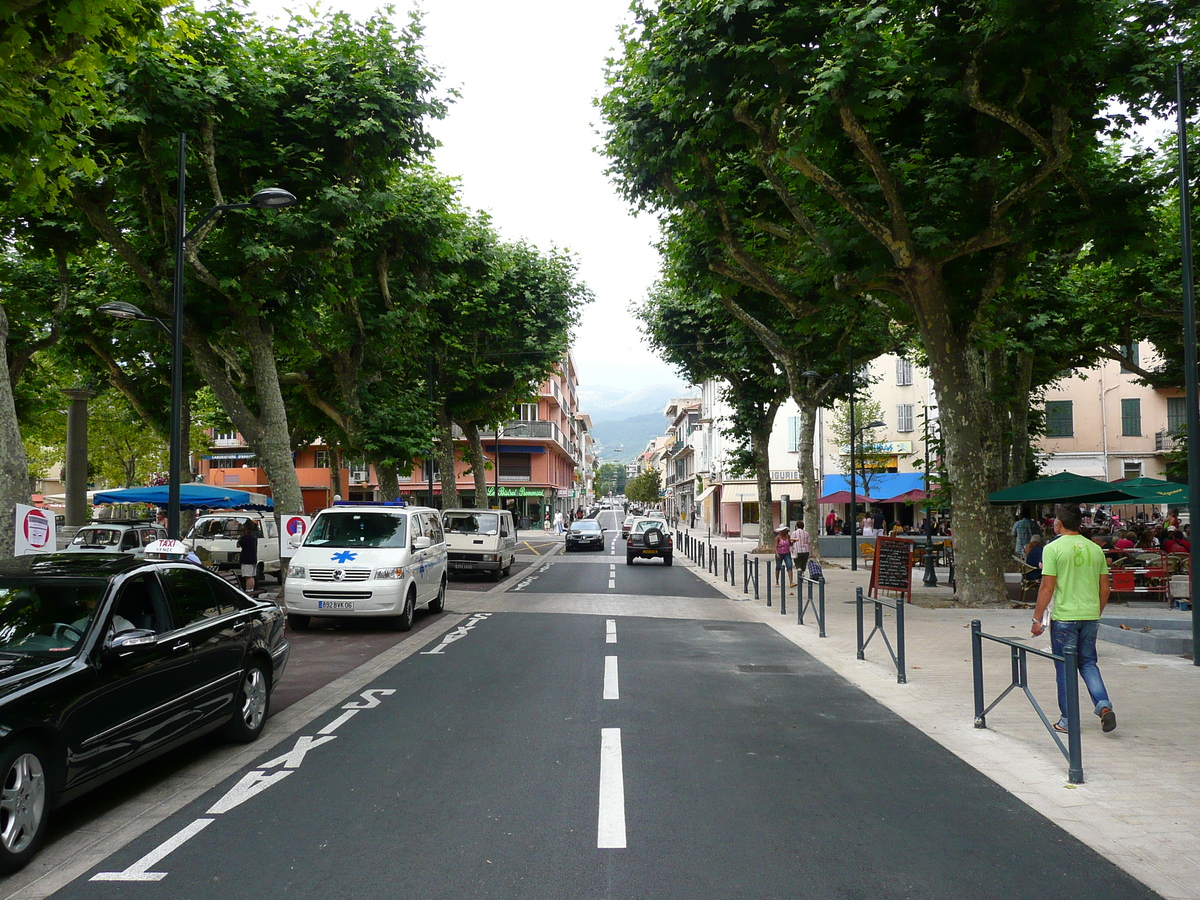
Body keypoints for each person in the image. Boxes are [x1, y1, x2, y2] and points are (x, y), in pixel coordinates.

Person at [1031, 504, 1116, 735]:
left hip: (1065, 617)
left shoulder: (1053, 548)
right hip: (1089, 615)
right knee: (1088, 663)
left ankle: (1067, 719)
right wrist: (1095, 611)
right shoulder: (1095, 549)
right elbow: (1105, 588)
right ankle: (1103, 704)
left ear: (1058, 523)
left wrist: (1037, 618)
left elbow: (1047, 588)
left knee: (1064, 667)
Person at [238, 520, 259, 593]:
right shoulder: (254, 536)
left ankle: (248, 591)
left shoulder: (246, 536)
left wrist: (241, 536)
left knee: (248, 576)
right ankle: (251, 590)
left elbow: (238, 545)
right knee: (251, 576)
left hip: (246, 559)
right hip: (253, 558)